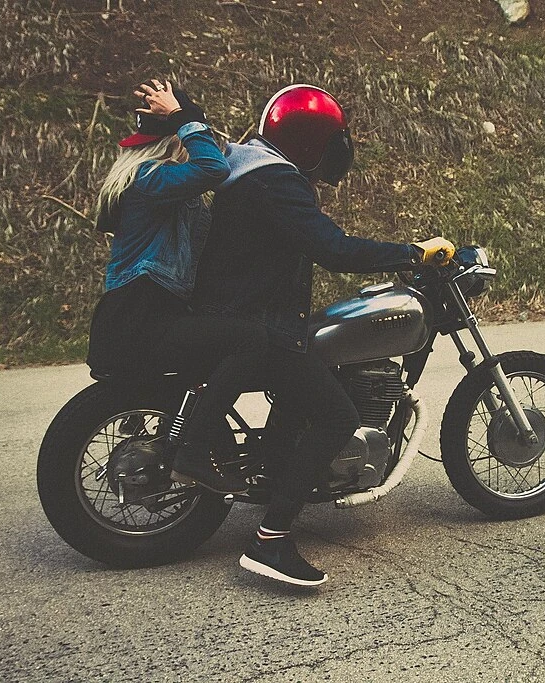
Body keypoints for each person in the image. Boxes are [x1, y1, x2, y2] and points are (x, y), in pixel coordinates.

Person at [188, 84, 455, 586]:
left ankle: (280, 472)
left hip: (247, 318)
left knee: (306, 388)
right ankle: (272, 539)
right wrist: (410, 252)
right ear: (312, 144)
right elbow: (331, 248)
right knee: (337, 415)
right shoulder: (276, 182)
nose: (341, 150)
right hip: (260, 327)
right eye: (334, 139)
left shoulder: (250, 172)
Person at [86, 78, 267, 495]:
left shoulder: (168, 195)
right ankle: (193, 452)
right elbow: (213, 167)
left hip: (145, 312)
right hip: (140, 315)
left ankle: (201, 443)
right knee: (251, 342)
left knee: (234, 337)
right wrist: (188, 119)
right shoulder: (149, 180)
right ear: (175, 142)